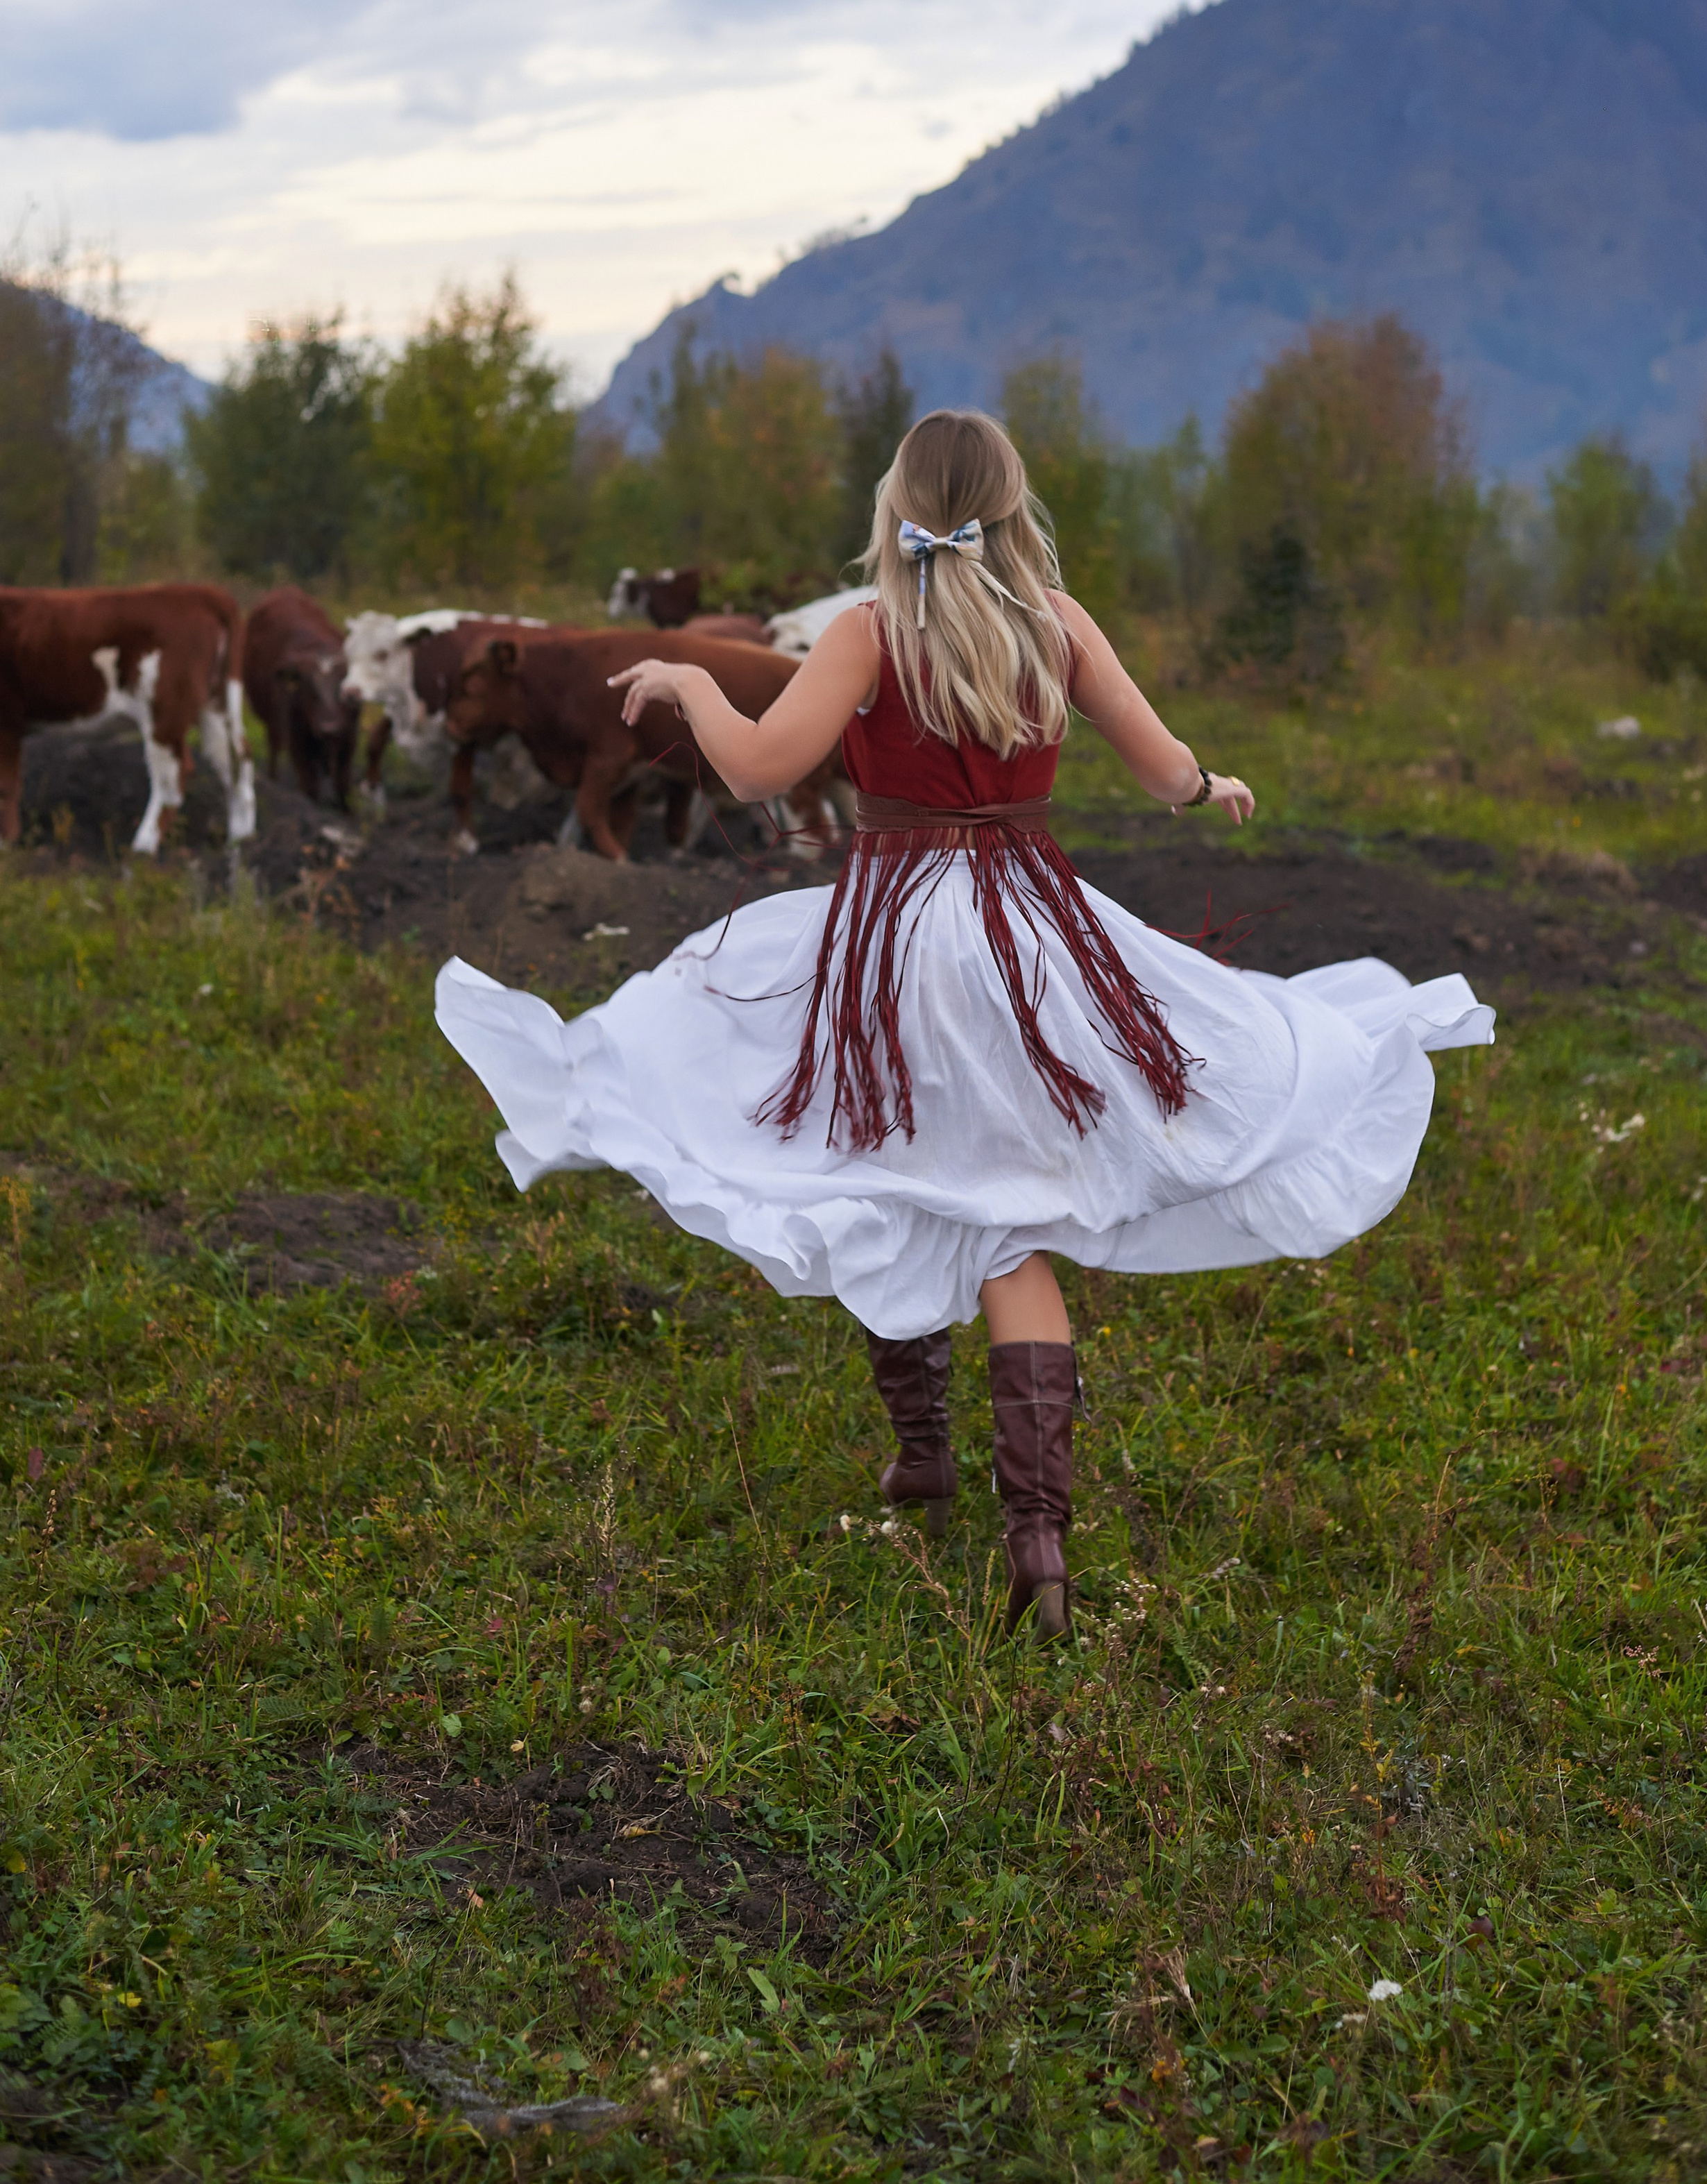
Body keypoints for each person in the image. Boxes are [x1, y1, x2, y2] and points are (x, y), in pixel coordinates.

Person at [436, 411, 1492, 1641]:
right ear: (1011, 506)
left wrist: (688, 684)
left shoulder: (868, 633)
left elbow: (761, 772)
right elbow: (1161, 769)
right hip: (1035, 941)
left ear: (899, 506)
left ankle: (927, 1452)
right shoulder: (1059, 623)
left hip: (889, 941)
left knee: (880, 1163)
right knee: (1010, 1212)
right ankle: (1030, 1532)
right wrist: (1210, 787)